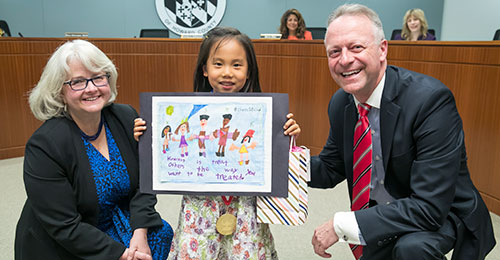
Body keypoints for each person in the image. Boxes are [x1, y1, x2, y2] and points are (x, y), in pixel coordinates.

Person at [309, 4, 495, 260]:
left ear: (382, 49)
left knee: (411, 249)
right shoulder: (341, 102)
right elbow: (331, 167)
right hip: (386, 210)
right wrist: (278, 163)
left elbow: (429, 207)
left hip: (443, 211)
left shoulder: (430, 101)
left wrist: (340, 224)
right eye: (334, 51)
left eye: (356, 47)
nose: (344, 59)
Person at [134, 27, 301, 259]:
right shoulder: (186, 116)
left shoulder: (264, 116)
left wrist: (288, 137)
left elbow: (279, 164)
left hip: (245, 211)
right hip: (200, 209)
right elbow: (167, 148)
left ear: (249, 69)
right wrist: (147, 136)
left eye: (237, 65)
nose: (227, 73)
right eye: (218, 64)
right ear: (204, 69)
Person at [15, 39, 174, 260]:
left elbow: (144, 183)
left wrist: (140, 232)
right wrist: (122, 255)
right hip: (70, 238)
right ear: (59, 91)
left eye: (98, 77)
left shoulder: (126, 117)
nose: (91, 88)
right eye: (78, 82)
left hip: (116, 219)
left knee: (161, 233)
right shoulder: (44, 145)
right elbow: (64, 226)